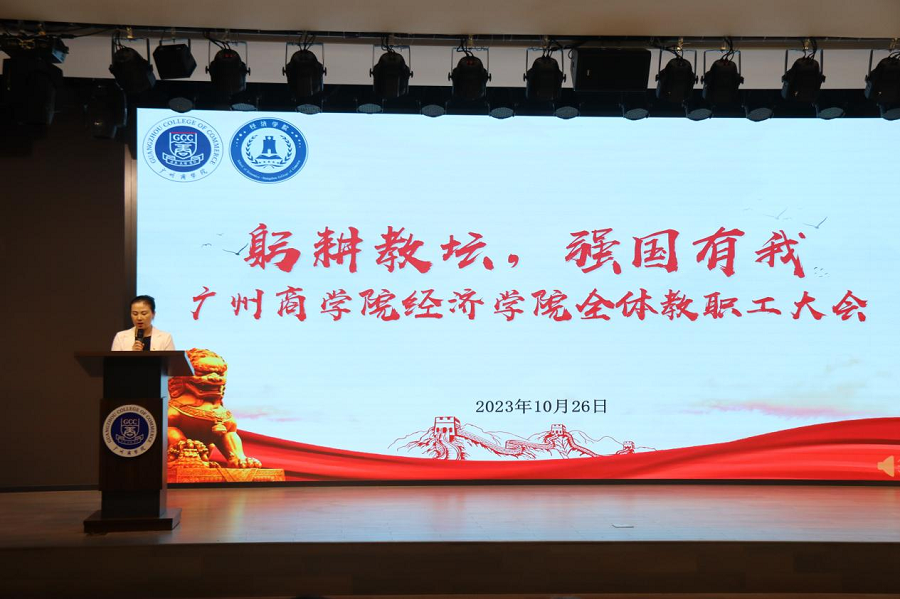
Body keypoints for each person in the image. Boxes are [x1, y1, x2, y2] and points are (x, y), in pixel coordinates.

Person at [111, 295, 175, 351]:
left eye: (144, 313)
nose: (139, 318)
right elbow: (114, 361)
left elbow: (171, 361)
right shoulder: (120, 337)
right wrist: (132, 353)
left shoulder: (166, 338)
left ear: (153, 314)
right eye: (135, 314)